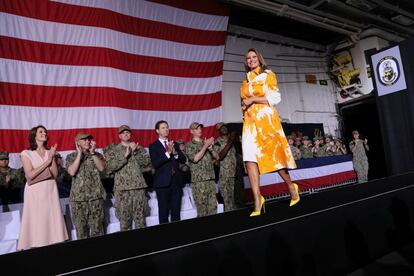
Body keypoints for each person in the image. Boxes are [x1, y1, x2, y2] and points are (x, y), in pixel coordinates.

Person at [240, 48, 299, 216]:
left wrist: (253, 99)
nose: (251, 59)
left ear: (259, 59)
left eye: (253, 57)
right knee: (249, 161)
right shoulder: (245, 82)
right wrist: (245, 107)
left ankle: (290, 185)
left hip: (266, 120)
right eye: (248, 58)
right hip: (250, 124)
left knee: (275, 157)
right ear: (246, 62)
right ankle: (258, 199)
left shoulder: (268, 75)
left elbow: (275, 98)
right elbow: (243, 104)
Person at [18, 125, 68, 250]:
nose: (44, 133)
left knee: (50, 220)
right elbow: (30, 175)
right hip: (35, 193)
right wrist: (48, 162)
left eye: (45, 132)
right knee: (37, 220)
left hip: (50, 190)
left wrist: (52, 158)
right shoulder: (26, 153)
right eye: (41, 132)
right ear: (34, 135)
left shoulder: (49, 152)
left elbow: (55, 174)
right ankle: (37, 248)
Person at [105, 125, 151, 231]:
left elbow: (147, 164)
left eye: (128, 132)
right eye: (123, 133)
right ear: (119, 136)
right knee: (125, 222)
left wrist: (135, 151)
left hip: (138, 188)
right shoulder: (113, 151)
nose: (126, 134)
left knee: (140, 221)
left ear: (130, 134)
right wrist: (125, 156)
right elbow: (110, 167)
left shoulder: (139, 148)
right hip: (122, 190)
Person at [66, 132, 106, 239]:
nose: (88, 141)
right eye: (84, 140)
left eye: (89, 139)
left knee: (97, 231)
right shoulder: (71, 157)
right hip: (78, 200)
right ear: (77, 142)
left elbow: (102, 168)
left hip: (95, 198)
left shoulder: (97, 155)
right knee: (81, 232)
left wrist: (92, 153)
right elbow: (72, 172)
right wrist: (79, 154)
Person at [149, 120, 186, 224]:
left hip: (176, 183)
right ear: (157, 131)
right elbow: (156, 163)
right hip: (162, 184)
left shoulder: (175, 144)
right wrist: (168, 153)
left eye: (167, 127)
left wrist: (175, 153)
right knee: (164, 213)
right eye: (163, 128)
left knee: (176, 213)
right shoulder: (153, 146)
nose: (166, 130)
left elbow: (183, 159)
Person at [185, 122, 220, 217]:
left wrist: (211, 149)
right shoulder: (189, 145)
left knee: (213, 208)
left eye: (200, 128)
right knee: (202, 210)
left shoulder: (206, 142)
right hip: (199, 181)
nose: (199, 130)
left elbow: (217, 157)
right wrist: (205, 146)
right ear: (191, 131)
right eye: (196, 128)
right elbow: (195, 159)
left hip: (210, 180)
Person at [214, 122, 237, 212]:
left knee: (237, 199)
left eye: (224, 126)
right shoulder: (217, 142)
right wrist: (230, 142)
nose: (223, 128)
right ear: (218, 131)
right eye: (220, 128)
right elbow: (219, 156)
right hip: (225, 175)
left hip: (236, 173)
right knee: (228, 200)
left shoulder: (233, 139)